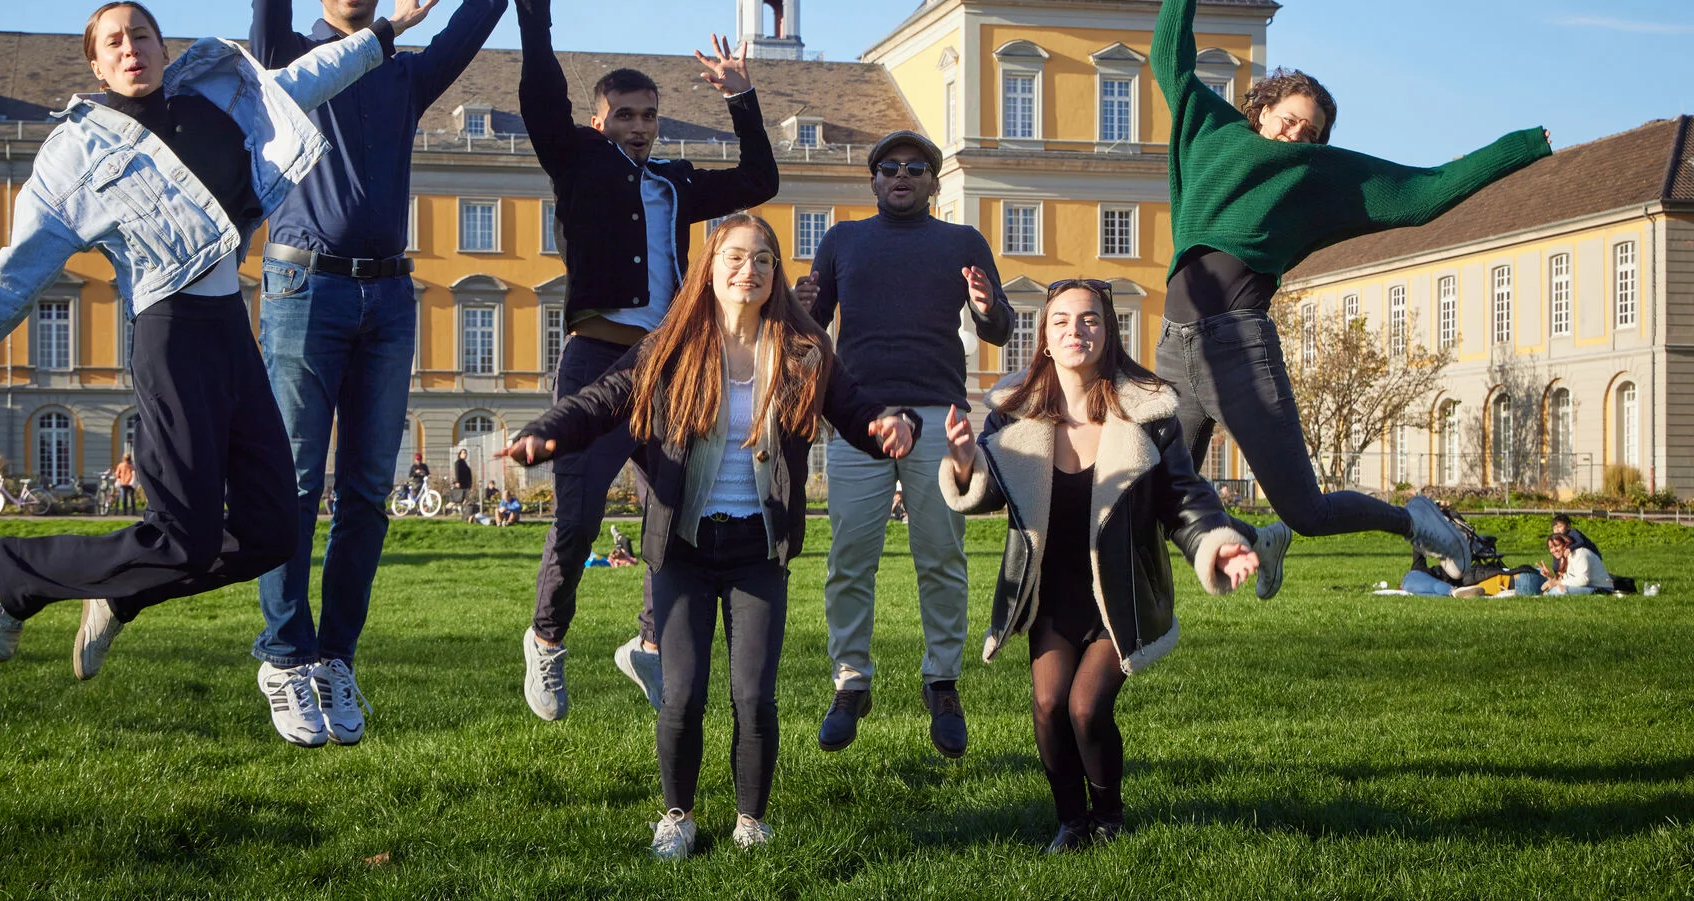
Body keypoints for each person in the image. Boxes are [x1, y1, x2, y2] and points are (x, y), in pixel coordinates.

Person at [0, 0, 418, 685]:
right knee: (183, 538)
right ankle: (17, 571)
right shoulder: (74, 155)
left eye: (142, 35)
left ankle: (121, 588)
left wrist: (384, 34)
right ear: (97, 68)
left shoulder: (219, 99)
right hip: (169, 337)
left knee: (274, 530)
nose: (131, 49)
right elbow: (11, 279)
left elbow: (307, 81)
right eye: (114, 43)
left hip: (231, 327)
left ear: (166, 48)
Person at [1151, 0, 1552, 591]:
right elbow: (1170, 57)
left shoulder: (1312, 175)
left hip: (1236, 345)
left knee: (1306, 509)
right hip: (1174, 343)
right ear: (1262, 109)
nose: (1295, 138)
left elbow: (1420, 194)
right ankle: (1254, 543)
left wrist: (1518, 146)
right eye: (1288, 122)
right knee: (1163, 497)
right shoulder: (1209, 128)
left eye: (1310, 133)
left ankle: (1419, 522)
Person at [503, 214, 918, 859]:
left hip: (758, 551)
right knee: (682, 694)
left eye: (761, 260)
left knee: (754, 696)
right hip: (684, 551)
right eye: (733, 257)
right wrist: (549, 430)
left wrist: (891, 423)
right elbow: (602, 400)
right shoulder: (671, 346)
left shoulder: (804, 353)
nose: (746, 270)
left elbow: (859, 411)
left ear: (775, 274)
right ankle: (678, 815)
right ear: (709, 268)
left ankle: (751, 819)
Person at [246, 0, 507, 749]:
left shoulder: (401, 74)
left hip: (389, 293)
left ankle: (335, 660)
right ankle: (284, 653)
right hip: (303, 285)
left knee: (364, 491)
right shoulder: (281, 58)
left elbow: (481, 9)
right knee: (296, 483)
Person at [513, 0, 781, 720]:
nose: (637, 127)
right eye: (623, 116)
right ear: (599, 121)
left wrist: (743, 97)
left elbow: (760, 181)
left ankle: (651, 642)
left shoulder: (677, 179)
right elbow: (536, 95)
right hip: (598, 358)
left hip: (670, 362)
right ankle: (548, 641)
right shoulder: (579, 164)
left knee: (678, 504)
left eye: (648, 116)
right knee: (580, 514)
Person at [939, 279, 1258, 852]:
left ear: (1108, 332)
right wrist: (964, 463)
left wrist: (1216, 542)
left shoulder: (1149, 412)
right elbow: (987, 492)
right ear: (1044, 335)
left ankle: (1107, 817)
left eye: (1088, 320)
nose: (1074, 331)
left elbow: (1182, 496)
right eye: (1061, 321)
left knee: (1086, 707)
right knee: (1047, 704)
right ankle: (1071, 820)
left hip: (1120, 593)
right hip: (1050, 597)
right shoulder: (1015, 413)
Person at [792, 130, 1014, 760]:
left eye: (916, 168)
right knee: (849, 558)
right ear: (873, 179)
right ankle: (850, 681)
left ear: (932, 183)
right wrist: (804, 305)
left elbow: (998, 325)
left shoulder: (961, 242)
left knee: (941, 555)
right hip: (860, 417)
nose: (902, 175)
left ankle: (942, 682)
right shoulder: (842, 240)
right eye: (890, 167)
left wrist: (986, 303)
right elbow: (811, 330)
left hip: (938, 417)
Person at [1541, 533, 1613, 595]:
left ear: (1566, 544)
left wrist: (1557, 583)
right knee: (1553, 589)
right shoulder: (1564, 558)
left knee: (1559, 590)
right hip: (1587, 587)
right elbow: (1568, 581)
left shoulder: (1580, 554)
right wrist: (1550, 577)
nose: (1554, 550)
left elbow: (1583, 580)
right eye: (1551, 547)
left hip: (1601, 588)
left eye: (1557, 545)